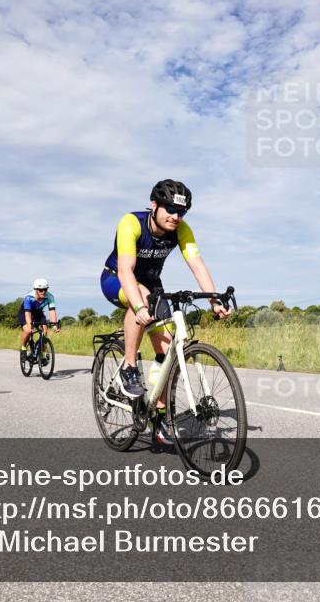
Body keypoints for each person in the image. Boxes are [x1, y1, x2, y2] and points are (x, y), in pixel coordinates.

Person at [101, 179, 229, 443]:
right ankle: (129, 367)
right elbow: (125, 270)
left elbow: (197, 265)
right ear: (154, 205)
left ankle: (159, 420)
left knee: (168, 352)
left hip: (151, 285)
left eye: (181, 212)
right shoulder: (131, 223)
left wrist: (214, 301)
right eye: (170, 209)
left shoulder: (182, 230)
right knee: (142, 298)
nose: (175, 216)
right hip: (116, 278)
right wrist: (138, 306)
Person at [18, 278, 60, 355]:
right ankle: (23, 347)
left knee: (45, 330)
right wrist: (30, 326)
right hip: (25, 312)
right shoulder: (29, 297)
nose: (43, 292)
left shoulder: (50, 297)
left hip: (38, 313)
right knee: (28, 331)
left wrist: (54, 325)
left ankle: (42, 354)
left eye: (45, 289)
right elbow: (27, 314)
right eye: (41, 290)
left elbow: (52, 311)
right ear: (36, 290)